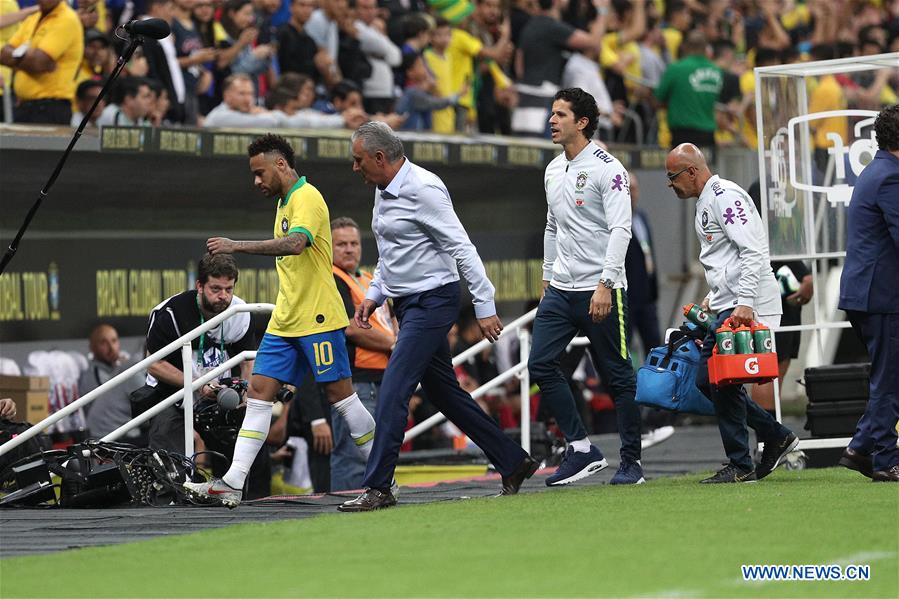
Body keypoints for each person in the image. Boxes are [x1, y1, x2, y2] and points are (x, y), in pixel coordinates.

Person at [339, 121, 538, 511]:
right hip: (407, 303)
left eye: (358, 160)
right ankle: (513, 461)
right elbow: (391, 253)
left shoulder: (424, 189)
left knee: (394, 387)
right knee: (443, 392)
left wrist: (484, 306)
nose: (354, 167)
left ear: (379, 157)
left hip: (432, 301)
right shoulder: (382, 188)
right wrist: (375, 295)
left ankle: (379, 486)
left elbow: (463, 247)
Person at [184, 134, 377, 507]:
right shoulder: (285, 202)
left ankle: (383, 476)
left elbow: (296, 244)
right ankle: (232, 482)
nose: (256, 181)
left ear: (281, 165)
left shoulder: (307, 197)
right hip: (286, 318)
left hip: (317, 317)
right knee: (258, 392)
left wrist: (236, 245)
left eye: (260, 173)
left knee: (341, 396)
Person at [527, 87, 643, 486]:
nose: (551, 120)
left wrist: (606, 284)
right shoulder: (552, 170)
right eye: (552, 113)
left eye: (560, 114)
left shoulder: (608, 169)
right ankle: (580, 448)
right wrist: (547, 275)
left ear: (582, 122)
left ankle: (631, 463)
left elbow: (621, 229)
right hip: (561, 288)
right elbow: (551, 225)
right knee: (540, 364)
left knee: (618, 376)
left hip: (601, 288)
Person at [665, 143, 798, 483]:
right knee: (714, 380)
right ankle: (774, 436)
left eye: (673, 176)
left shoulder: (725, 196)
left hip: (744, 304)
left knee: (715, 379)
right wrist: (713, 297)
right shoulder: (707, 200)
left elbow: (752, 251)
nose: (670, 183)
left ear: (691, 171)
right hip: (729, 301)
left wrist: (745, 302)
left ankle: (743, 461)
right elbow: (727, 260)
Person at [837, 104, 899, 483]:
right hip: (882, 296)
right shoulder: (891, 177)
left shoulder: (876, 171)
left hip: (870, 293)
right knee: (889, 379)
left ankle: (860, 448)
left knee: (889, 376)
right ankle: (885, 460)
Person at [144, 253, 257, 454]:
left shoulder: (240, 312)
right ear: (200, 286)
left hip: (219, 395)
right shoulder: (171, 313)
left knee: (243, 451)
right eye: (216, 289)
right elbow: (154, 364)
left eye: (229, 289)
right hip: (172, 394)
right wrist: (198, 384)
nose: (223, 296)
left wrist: (246, 395)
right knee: (171, 463)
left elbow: (248, 361)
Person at [329, 216, 396, 491]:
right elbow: (350, 327)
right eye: (341, 244)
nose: (349, 249)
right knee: (352, 454)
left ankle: (378, 497)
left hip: (383, 377)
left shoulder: (369, 278)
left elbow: (392, 318)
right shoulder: (330, 278)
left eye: (354, 243)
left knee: (380, 451)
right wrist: (395, 345)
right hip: (355, 380)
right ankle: (348, 500)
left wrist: (396, 341)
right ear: (328, 247)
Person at [0, 0, 83, 124]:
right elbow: (3, 55)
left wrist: (16, 58)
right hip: (24, 105)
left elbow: (38, 63)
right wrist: (28, 58)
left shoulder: (67, 19)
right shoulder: (33, 18)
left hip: (51, 107)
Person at [653, 31, 722, 150]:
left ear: (685, 47)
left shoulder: (676, 68)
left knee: (682, 162)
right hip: (708, 133)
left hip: (682, 133)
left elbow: (657, 99)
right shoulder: (716, 71)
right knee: (705, 162)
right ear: (706, 48)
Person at [78, 324, 145, 440]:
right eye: (103, 343)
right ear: (92, 348)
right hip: (107, 437)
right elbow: (104, 411)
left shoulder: (121, 368)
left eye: (114, 341)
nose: (111, 347)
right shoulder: (92, 376)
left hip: (123, 432)